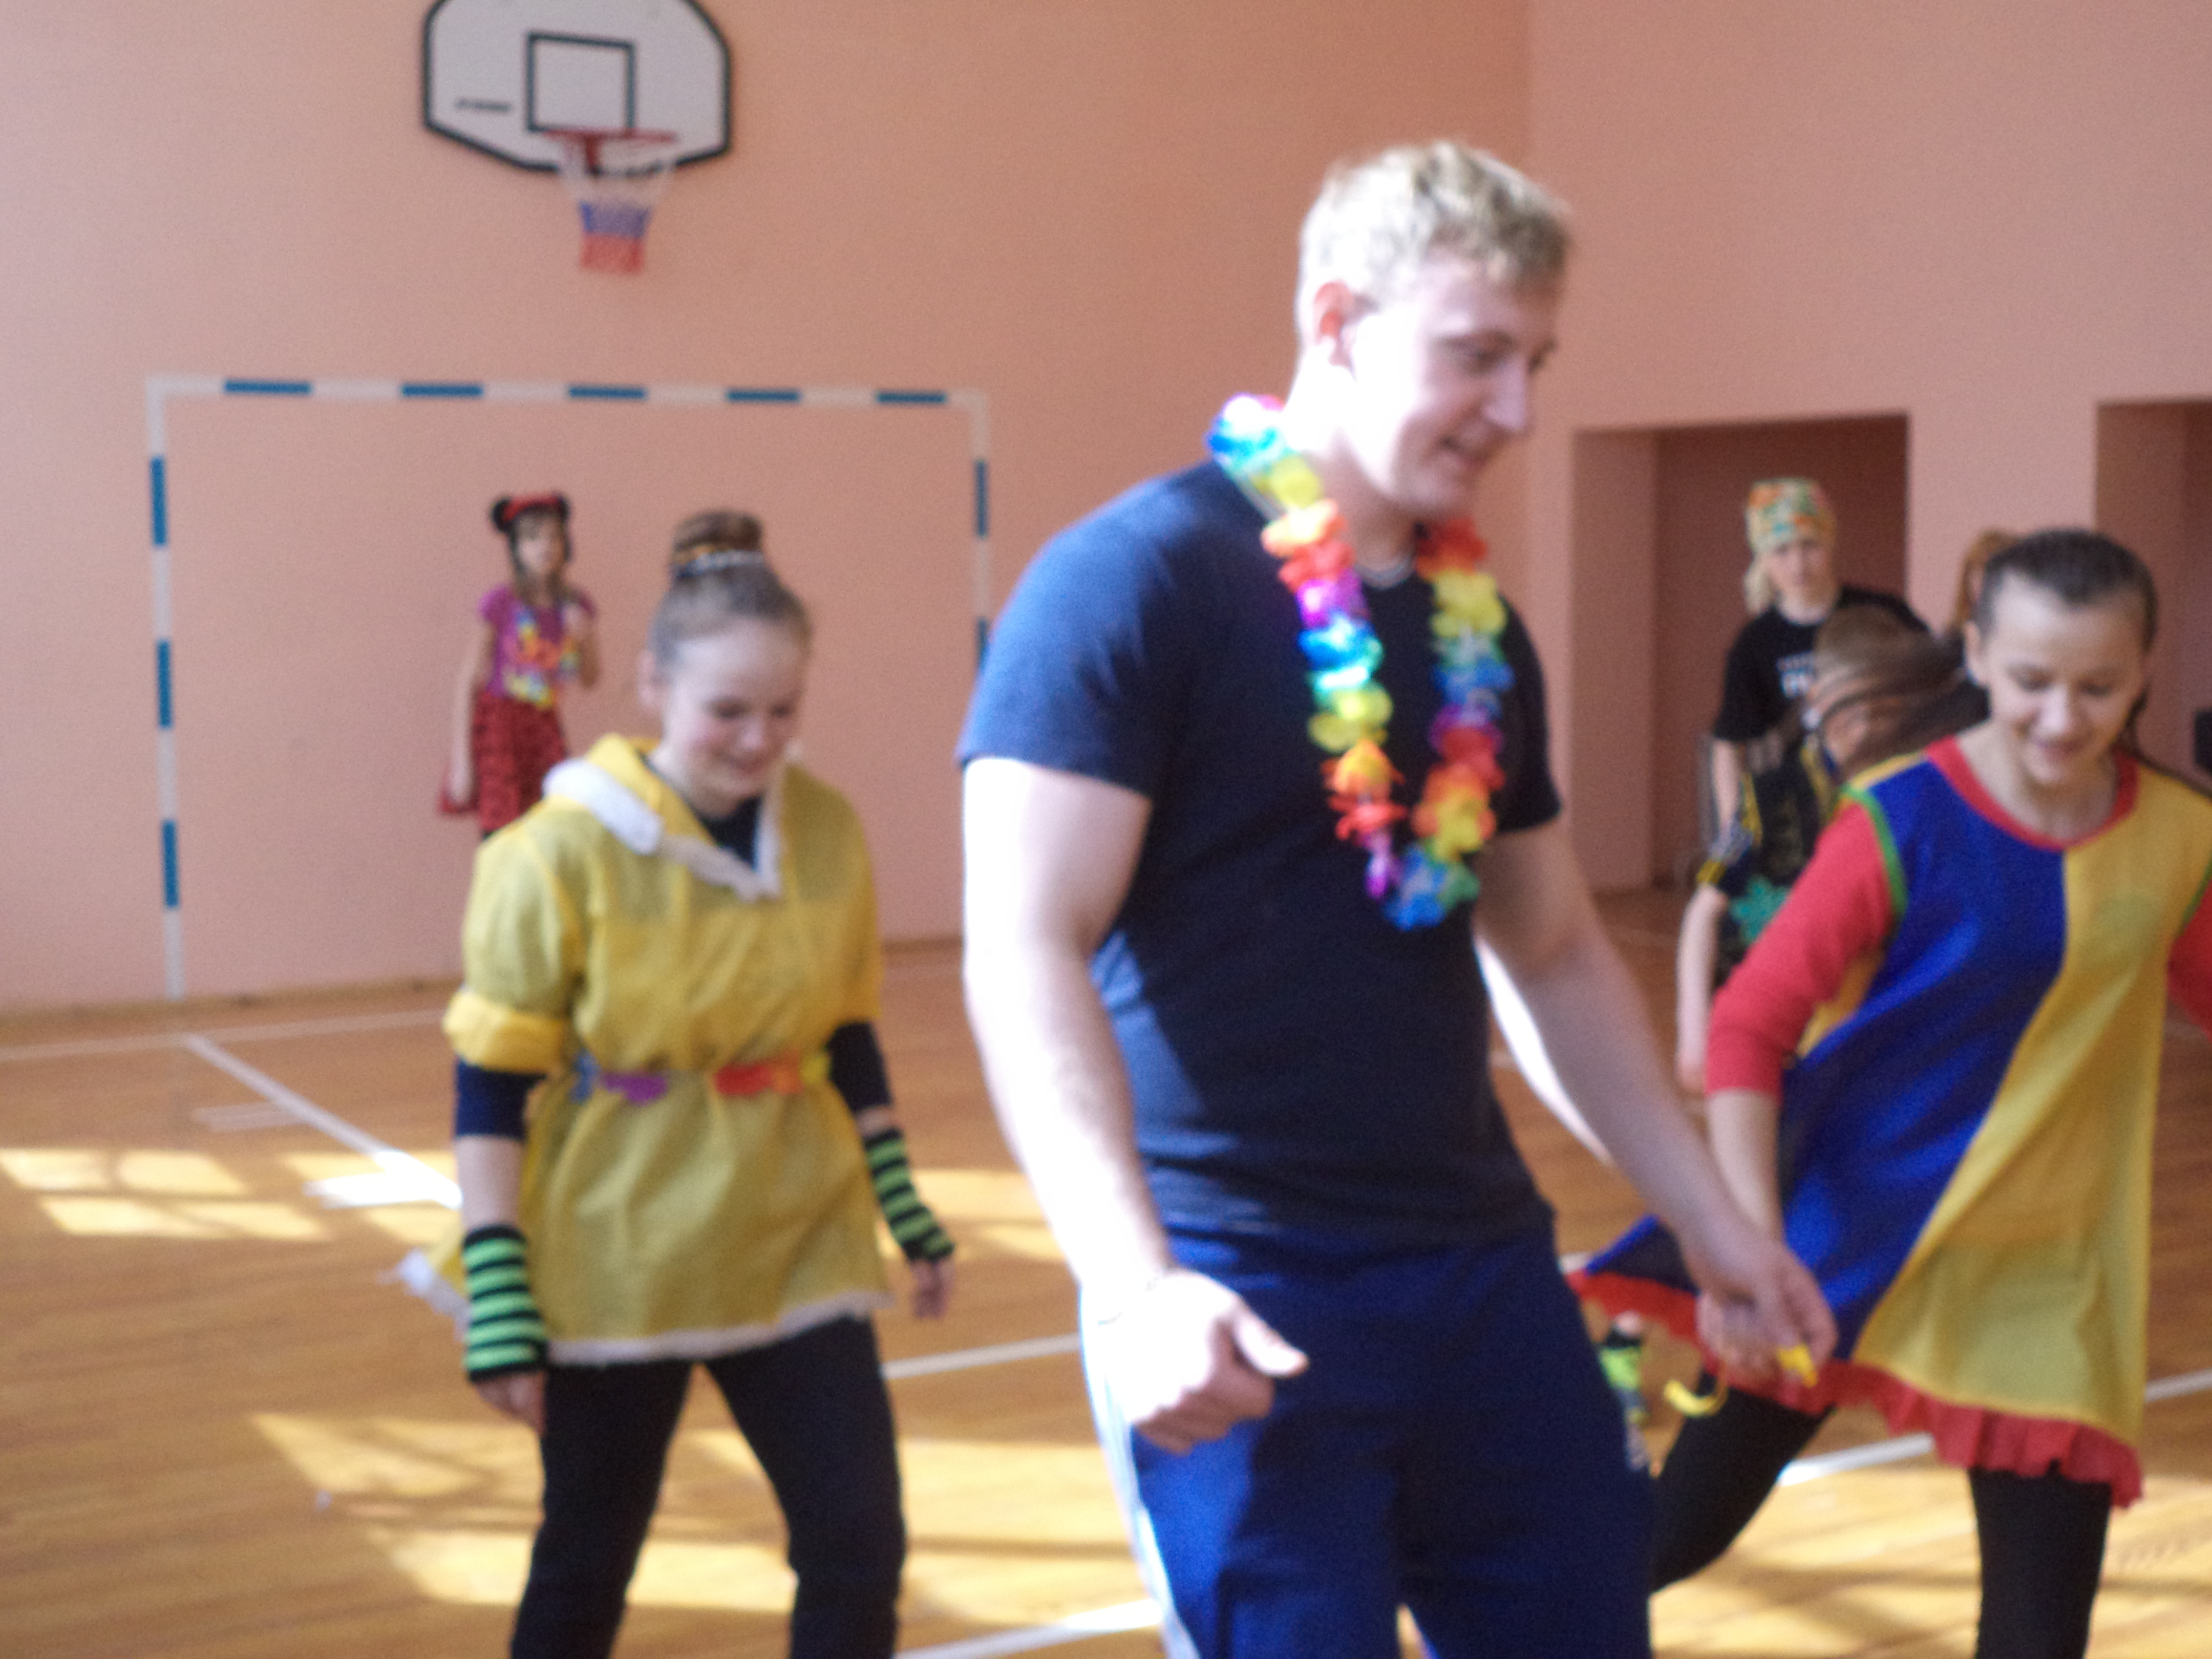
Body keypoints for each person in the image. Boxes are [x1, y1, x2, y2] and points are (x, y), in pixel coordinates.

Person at [958, 140, 1831, 1658]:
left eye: (1537, 362)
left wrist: (1711, 1221)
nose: (1519, 411)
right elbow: (1024, 942)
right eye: (1477, 354)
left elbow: (1550, 948)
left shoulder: (1479, 631)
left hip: (1482, 1268)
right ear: (1336, 319)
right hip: (1237, 1288)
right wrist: (1136, 1286)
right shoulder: (1130, 584)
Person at [1654, 530, 2212, 1659]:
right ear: (1978, 655)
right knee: (1667, 1537)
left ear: (2146, 673)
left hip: (2049, 1281)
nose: (2062, 717)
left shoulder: (2181, 837)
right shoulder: (1900, 816)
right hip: (1849, 1244)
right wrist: (1753, 1248)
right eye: (2032, 680)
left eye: (2098, 687)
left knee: (2038, 1635)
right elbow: (1750, 1027)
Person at [407, 523, 956, 1659]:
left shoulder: (825, 832)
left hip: (796, 1233)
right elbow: (493, 1081)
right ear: (653, 684)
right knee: (588, 1556)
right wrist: (499, 1285)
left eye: (784, 710)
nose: (760, 739)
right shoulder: (557, 852)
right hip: (622, 1245)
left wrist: (899, 1196)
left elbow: (846, 1029)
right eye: (728, 710)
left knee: (859, 1543)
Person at [1595, 609, 1975, 1420]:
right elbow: (1704, 913)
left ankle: (1742, 1361)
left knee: (1810, 1194)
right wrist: (1697, 1031)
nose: (1870, 731)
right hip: (1758, 1036)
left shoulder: (1914, 795)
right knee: (1720, 1198)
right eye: (1855, 713)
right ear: (1818, 706)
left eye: (1889, 713)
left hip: (1839, 1040)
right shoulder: (1774, 797)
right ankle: (1626, 1340)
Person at [1708, 479, 1922, 825]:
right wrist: (1734, 832)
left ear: (1829, 541)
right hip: (1808, 810)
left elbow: (1936, 686)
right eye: (1782, 551)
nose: (1798, 565)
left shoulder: (1883, 613)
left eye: (1809, 546)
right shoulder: (1755, 642)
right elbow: (1729, 744)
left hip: (1893, 791)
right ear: (1763, 558)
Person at [442, 493, 601, 836]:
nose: (545, 547)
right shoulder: (501, 602)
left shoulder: (575, 605)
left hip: (544, 724)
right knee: (502, 829)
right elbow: (468, 679)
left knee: (550, 824)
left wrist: (585, 637)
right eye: (532, 539)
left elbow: (591, 679)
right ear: (516, 549)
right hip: (501, 724)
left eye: (553, 538)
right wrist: (462, 761)